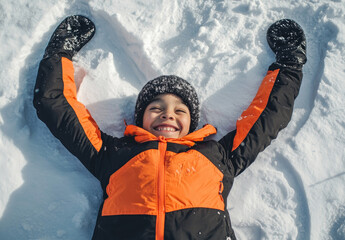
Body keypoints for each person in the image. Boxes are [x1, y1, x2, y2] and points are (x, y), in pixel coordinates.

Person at [33, 15, 306, 240]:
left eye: (180, 111)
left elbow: (266, 118)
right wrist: (60, 53)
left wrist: (289, 66)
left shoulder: (218, 157)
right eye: (156, 108)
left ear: (192, 123)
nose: (167, 115)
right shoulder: (112, 155)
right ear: (141, 118)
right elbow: (55, 105)